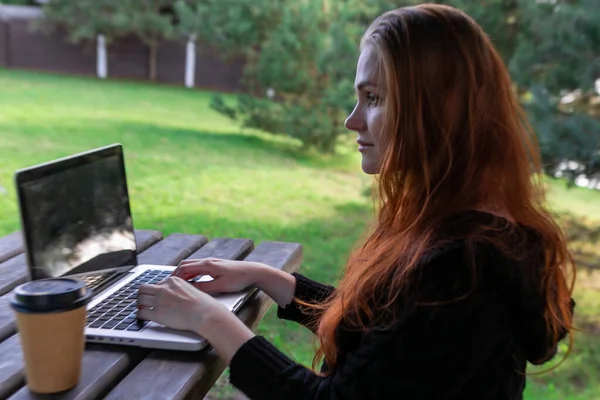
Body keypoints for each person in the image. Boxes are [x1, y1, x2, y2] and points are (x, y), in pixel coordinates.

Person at [137, 4, 576, 399]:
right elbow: (387, 336)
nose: (352, 120)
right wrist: (267, 277)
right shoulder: (473, 227)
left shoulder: (463, 268)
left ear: (435, 110)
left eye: (374, 98)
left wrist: (210, 321)